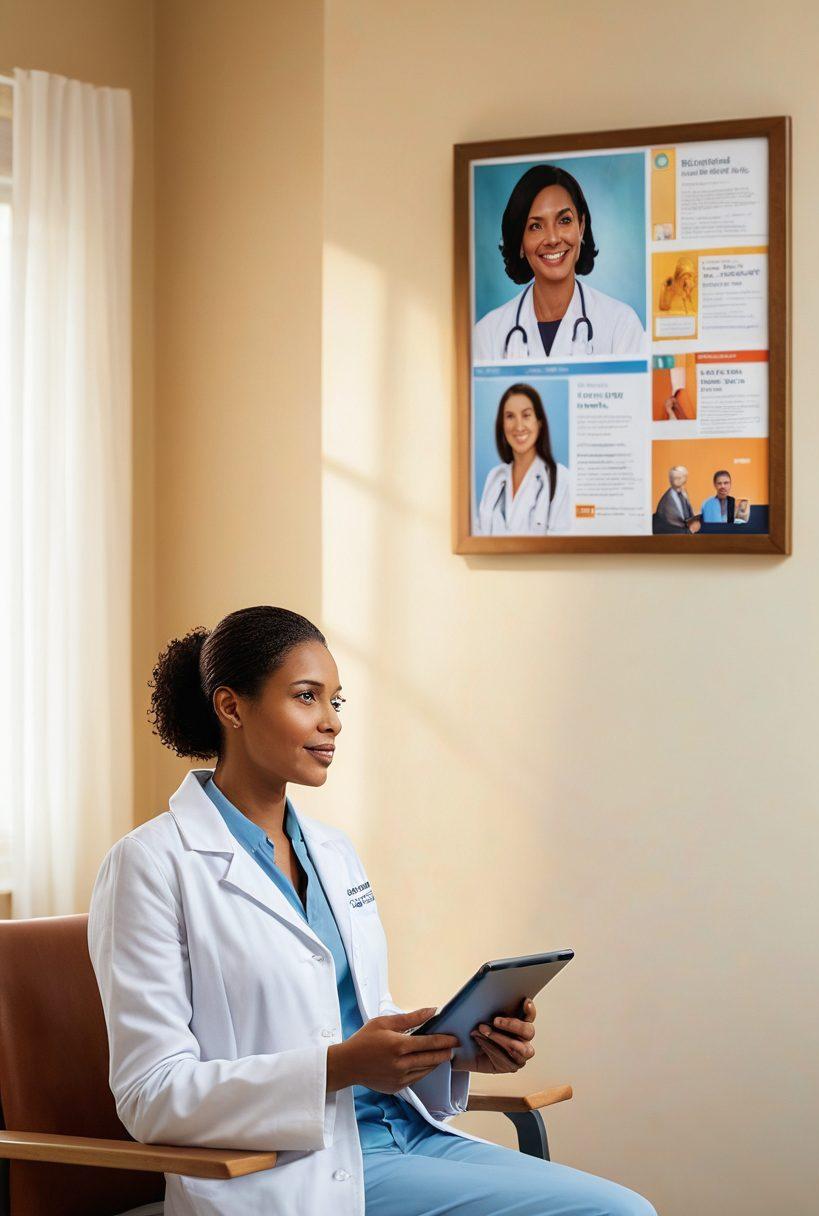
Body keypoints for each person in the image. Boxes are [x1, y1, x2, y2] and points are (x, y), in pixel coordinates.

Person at [88, 606, 657, 1216]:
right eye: (307, 697)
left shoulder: (332, 851)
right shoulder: (149, 864)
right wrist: (337, 1069)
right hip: (289, 1170)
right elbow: (151, 1097)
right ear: (231, 708)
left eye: (337, 701)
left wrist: (454, 1049)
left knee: (624, 1207)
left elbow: (356, 1014)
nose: (331, 722)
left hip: (403, 1136)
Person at [473, 163, 646, 361]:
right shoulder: (487, 336)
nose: (553, 239)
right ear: (520, 242)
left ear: (580, 227)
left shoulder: (620, 325)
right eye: (535, 226)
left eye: (564, 220)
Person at [476, 383, 570, 535]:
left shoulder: (560, 479)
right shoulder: (495, 477)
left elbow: (563, 546)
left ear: (539, 423)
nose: (519, 426)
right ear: (502, 424)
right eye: (510, 416)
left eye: (526, 415)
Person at [653, 466, 701, 534]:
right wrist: (690, 530)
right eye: (673, 478)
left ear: (685, 479)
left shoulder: (683, 493)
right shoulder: (667, 499)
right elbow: (669, 527)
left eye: (679, 478)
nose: (675, 480)